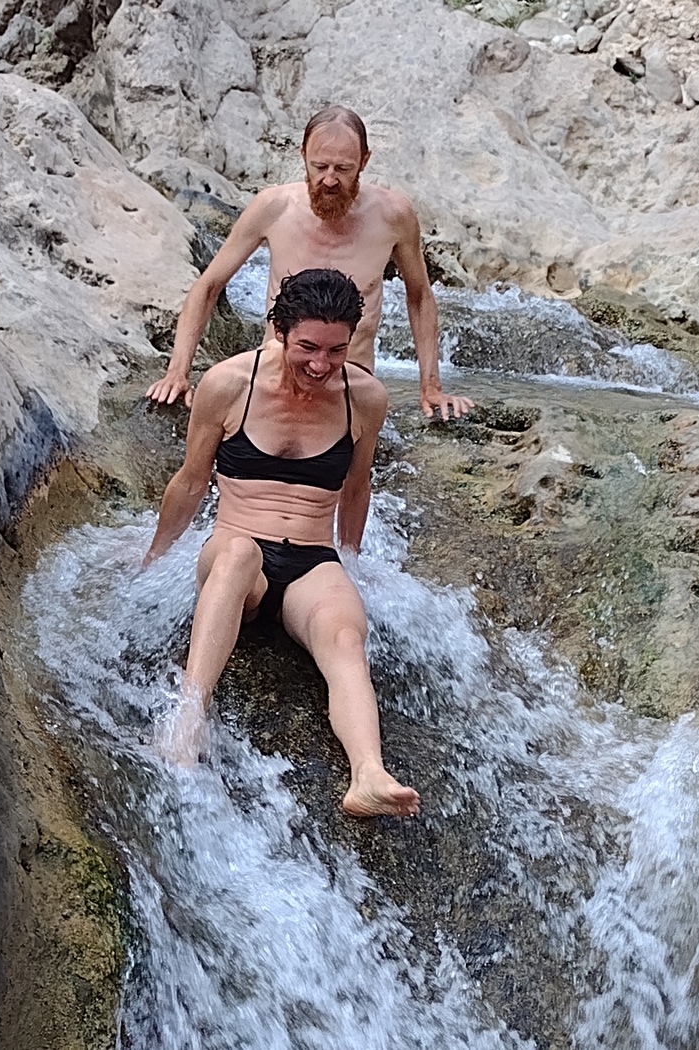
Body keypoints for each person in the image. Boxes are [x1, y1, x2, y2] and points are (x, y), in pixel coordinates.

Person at [144, 268, 420, 818]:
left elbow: (356, 486)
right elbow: (192, 481)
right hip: (237, 555)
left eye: (336, 350)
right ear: (279, 331)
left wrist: (351, 562)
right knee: (239, 553)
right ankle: (187, 720)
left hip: (311, 559)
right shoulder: (229, 384)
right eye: (308, 348)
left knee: (345, 635)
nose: (320, 364)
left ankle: (368, 774)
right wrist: (153, 556)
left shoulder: (364, 398)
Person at [146, 105, 473, 421]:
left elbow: (419, 297)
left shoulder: (393, 215)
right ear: (303, 155)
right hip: (276, 377)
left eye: (343, 169)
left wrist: (431, 387)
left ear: (364, 161)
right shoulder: (273, 207)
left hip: (350, 385)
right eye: (319, 166)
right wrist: (178, 372)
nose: (329, 180)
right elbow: (209, 285)